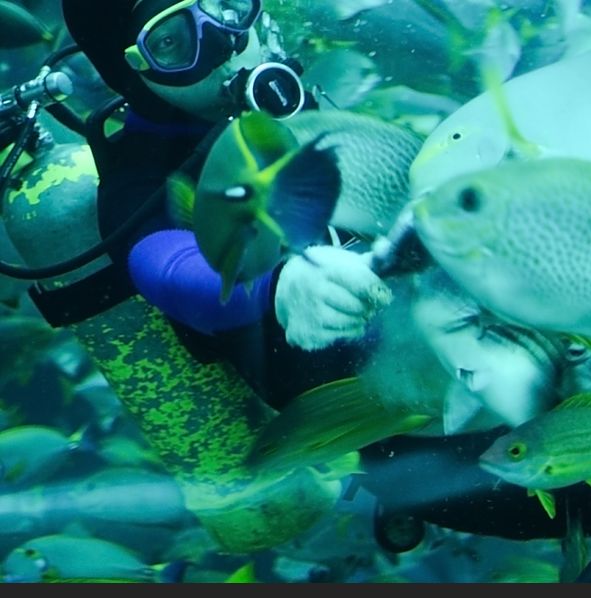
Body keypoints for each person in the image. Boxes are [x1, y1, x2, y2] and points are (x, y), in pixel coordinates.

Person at [51, 0, 392, 410]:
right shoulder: (137, 182)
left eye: (224, 5)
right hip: (352, 402)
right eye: (171, 41)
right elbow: (169, 267)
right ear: (134, 73)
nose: (224, 42)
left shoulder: (290, 97)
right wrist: (278, 287)